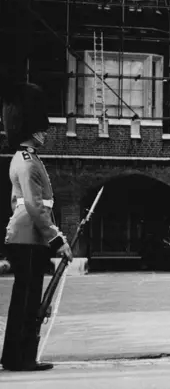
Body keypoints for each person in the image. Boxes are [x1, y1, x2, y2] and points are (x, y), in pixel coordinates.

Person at [1, 82, 73, 372]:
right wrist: (56, 240)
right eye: (41, 127)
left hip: (27, 235)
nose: (45, 131)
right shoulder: (28, 162)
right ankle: (21, 357)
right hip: (28, 236)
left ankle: (14, 355)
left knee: (25, 299)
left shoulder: (25, 159)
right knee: (28, 300)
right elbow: (34, 205)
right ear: (29, 127)